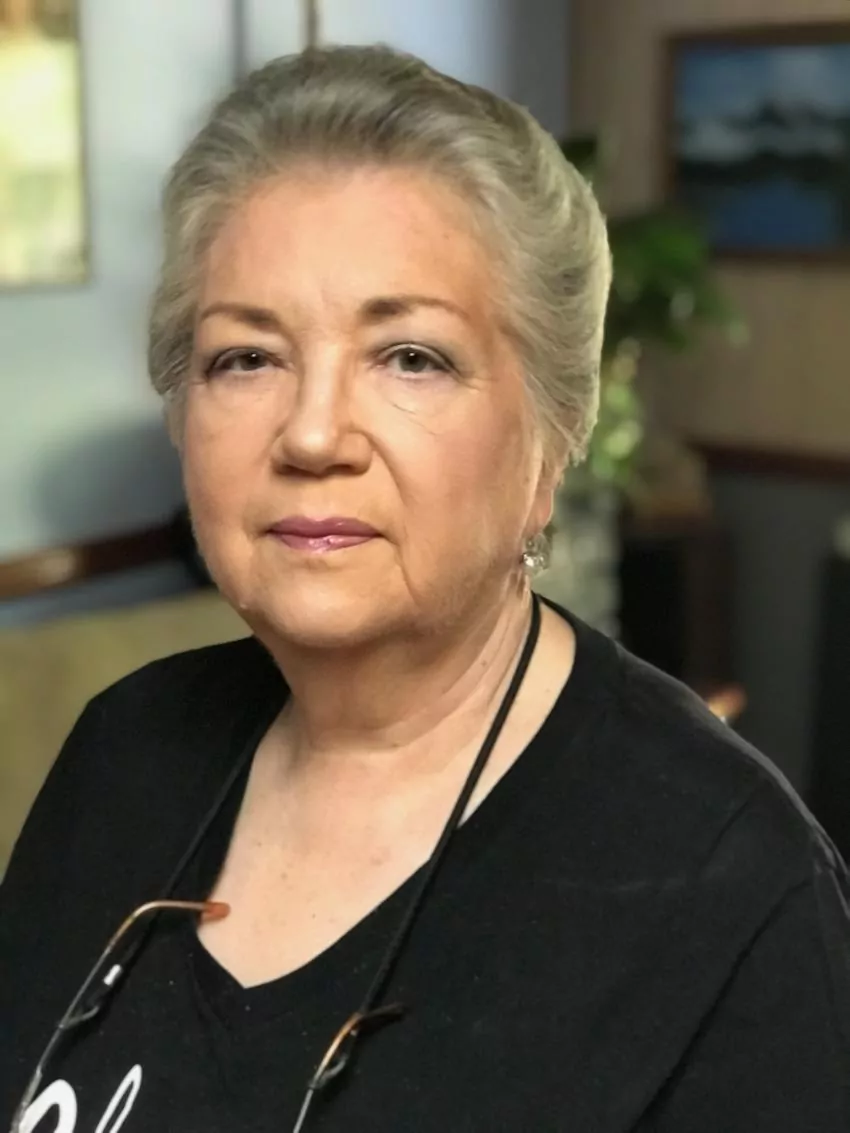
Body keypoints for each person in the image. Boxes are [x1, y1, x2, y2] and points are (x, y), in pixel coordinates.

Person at [2, 44, 849, 1133]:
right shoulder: (123, 750)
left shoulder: (729, 884)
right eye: (246, 358)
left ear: (551, 439)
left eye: (410, 357)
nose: (312, 434)